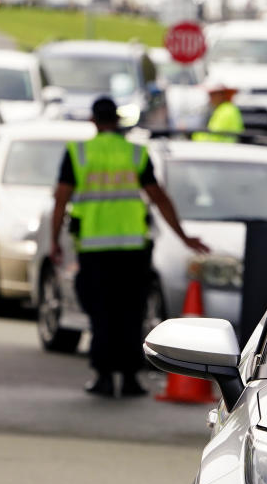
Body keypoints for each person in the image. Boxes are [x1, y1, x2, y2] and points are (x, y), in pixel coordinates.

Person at [51, 96, 209, 398]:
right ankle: (131, 378)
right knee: (131, 313)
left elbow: (61, 199)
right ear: (118, 121)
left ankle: (105, 377)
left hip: (95, 251)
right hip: (134, 249)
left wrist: (56, 242)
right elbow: (159, 197)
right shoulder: (135, 153)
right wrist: (184, 237)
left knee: (101, 314)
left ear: (94, 121)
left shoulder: (79, 153)